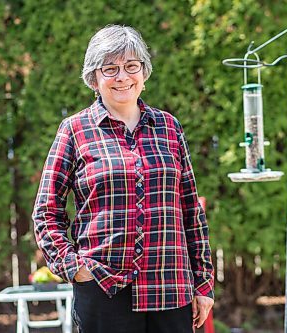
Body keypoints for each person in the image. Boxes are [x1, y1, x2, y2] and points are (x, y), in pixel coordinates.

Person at [32, 24, 214, 333]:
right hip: (104, 290)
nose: (122, 77)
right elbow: (46, 212)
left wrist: (203, 282)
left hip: (170, 288)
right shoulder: (74, 131)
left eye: (131, 66)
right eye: (110, 68)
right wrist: (75, 268)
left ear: (143, 73)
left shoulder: (169, 127)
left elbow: (190, 211)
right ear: (94, 78)